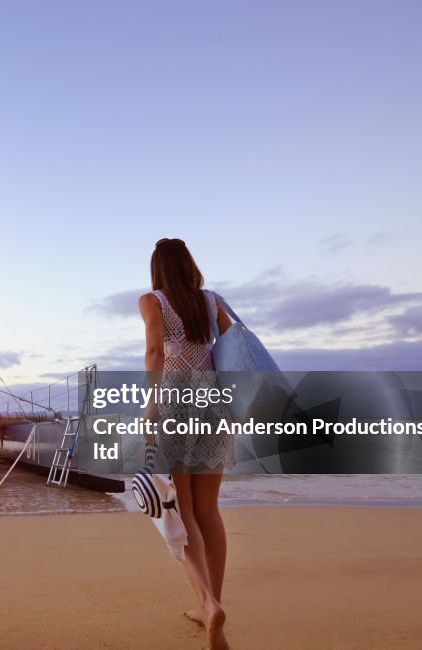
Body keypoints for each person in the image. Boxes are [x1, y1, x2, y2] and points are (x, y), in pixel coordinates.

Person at [138, 237, 233, 650]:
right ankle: (212, 603)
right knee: (210, 510)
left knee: (185, 510)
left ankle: (207, 603)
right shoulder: (211, 302)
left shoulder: (153, 300)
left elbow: (156, 352)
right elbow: (230, 348)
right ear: (190, 265)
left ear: (158, 268)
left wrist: (151, 406)